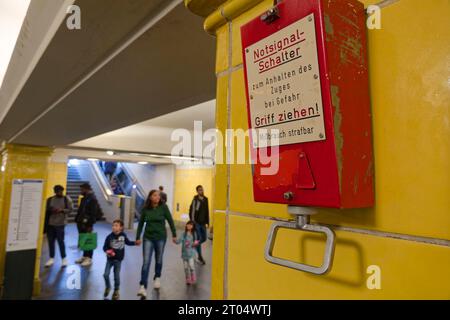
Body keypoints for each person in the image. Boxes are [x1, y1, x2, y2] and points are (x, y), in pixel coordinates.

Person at [135, 190, 177, 298]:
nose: (157, 197)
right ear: (150, 197)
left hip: (161, 238)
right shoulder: (145, 209)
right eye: (155, 195)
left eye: (158, 195)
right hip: (148, 237)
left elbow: (170, 220)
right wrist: (138, 237)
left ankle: (157, 276)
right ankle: (142, 286)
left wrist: (174, 234)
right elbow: (140, 224)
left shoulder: (163, 207)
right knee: (146, 262)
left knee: (158, 259)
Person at [103, 219, 137, 300]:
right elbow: (104, 247)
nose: (114, 227)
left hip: (118, 260)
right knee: (105, 274)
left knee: (116, 276)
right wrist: (107, 251)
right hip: (110, 260)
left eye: (116, 225)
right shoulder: (109, 237)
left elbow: (128, 242)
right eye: (113, 225)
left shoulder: (123, 236)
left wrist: (135, 243)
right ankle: (108, 287)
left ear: (121, 227)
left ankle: (116, 290)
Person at [44, 185, 73, 268]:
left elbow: (70, 210)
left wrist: (62, 210)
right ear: (55, 191)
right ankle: (51, 258)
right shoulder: (49, 199)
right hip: (50, 224)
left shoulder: (66, 199)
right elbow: (46, 209)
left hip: (60, 224)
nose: (59, 192)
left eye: (61, 191)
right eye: (57, 191)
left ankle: (64, 259)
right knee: (51, 241)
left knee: (61, 241)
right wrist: (51, 210)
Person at [75, 183, 99, 267]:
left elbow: (93, 213)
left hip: (87, 223)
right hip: (81, 222)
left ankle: (89, 258)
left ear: (86, 189)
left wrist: (90, 225)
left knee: (88, 239)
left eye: (82, 190)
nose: (81, 191)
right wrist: (77, 219)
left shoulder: (92, 199)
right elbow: (81, 210)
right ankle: (84, 256)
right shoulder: (84, 198)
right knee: (83, 239)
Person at [189, 185, 209, 265]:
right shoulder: (195, 200)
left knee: (204, 238)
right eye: (199, 190)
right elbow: (193, 211)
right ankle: (200, 257)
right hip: (196, 223)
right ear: (197, 191)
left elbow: (207, 211)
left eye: (202, 189)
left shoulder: (206, 199)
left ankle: (194, 245)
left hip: (203, 223)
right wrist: (193, 222)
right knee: (199, 238)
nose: (201, 191)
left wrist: (208, 221)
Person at [175, 221, 199, 285]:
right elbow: (179, 240)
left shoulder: (194, 234)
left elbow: (196, 242)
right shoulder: (184, 234)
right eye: (188, 224)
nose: (189, 226)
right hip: (184, 254)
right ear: (186, 225)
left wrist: (194, 243)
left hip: (191, 254)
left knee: (191, 266)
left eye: (191, 225)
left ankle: (193, 277)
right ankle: (187, 279)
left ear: (193, 227)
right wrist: (175, 241)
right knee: (185, 268)